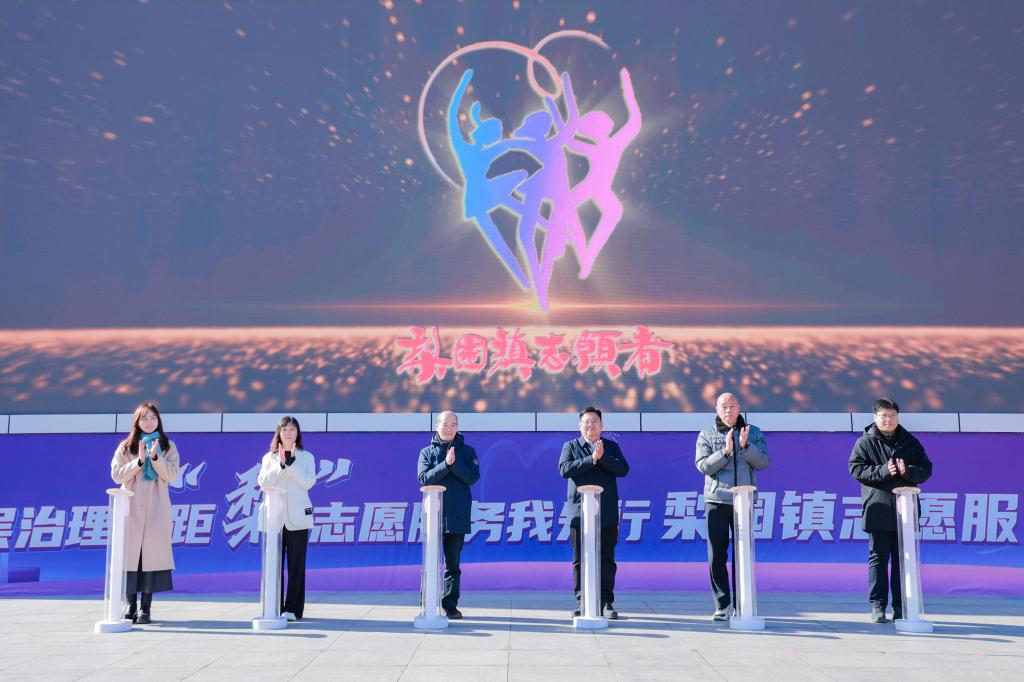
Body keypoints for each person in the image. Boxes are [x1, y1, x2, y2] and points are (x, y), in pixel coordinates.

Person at [849, 397, 933, 623]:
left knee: (903, 560)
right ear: (875, 417)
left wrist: (908, 472)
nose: (889, 420)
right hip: (878, 508)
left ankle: (901, 606)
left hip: (905, 509)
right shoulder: (865, 442)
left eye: (893, 415)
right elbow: (856, 469)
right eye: (884, 416)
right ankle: (878, 605)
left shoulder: (910, 442)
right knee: (878, 559)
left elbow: (926, 469)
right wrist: (884, 471)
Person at [695, 392, 770, 622]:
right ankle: (722, 605)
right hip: (716, 501)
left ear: (739, 408)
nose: (728, 411)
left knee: (742, 554)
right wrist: (725, 452)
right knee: (717, 555)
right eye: (723, 407)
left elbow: (763, 462)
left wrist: (746, 447)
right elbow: (703, 466)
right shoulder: (707, 434)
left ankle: (742, 604)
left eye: (732, 406)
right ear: (716, 409)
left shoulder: (753, 432)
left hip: (743, 501)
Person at [110, 402, 181, 624]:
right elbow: (117, 475)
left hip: (156, 509)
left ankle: (146, 608)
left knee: (150, 560)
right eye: (144, 418)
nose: (149, 422)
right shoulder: (126, 447)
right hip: (130, 509)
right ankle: (130, 605)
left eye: (153, 418)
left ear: (159, 421)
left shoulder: (167, 446)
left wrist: (155, 458)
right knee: (130, 559)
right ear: (137, 422)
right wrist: (139, 461)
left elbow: (172, 475)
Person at [558, 406, 629, 619]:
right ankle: (582, 601)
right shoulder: (571, 446)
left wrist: (603, 457)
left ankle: (606, 602)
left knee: (607, 559)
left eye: (594, 421)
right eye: (586, 422)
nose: (591, 425)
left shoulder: (611, 446)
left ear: (601, 425)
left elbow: (623, 469)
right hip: (579, 513)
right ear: (580, 426)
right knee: (580, 559)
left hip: (606, 512)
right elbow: (565, 469)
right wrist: (591, 459)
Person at [418, 411, 480, 619]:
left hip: (457, 516)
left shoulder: (468, 451)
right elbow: (424, 478)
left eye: (453, 425)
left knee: (453, 564)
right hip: (433, 516)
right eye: (445, 424)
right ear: (437, 426)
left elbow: (472, 477)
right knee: (430, 563)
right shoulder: (427, 452)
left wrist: (454, 464)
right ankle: (427, 602)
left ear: (457, 427)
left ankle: (450, 604)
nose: (449, 428)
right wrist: (445, 465)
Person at [258, 416, 316, 622]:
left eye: (292, 429)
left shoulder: (306, 457)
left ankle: (292, 609)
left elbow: (308, 482)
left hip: (297, 518)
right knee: (273, 565)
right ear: (279, 433)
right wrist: (281, 466)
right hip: (274, 519)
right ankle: (273, 606)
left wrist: (291, 464)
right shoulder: (269, 457)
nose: (288, 433)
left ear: (298, 433)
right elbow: (263, 482)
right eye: (284, 430)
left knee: (296, 566)